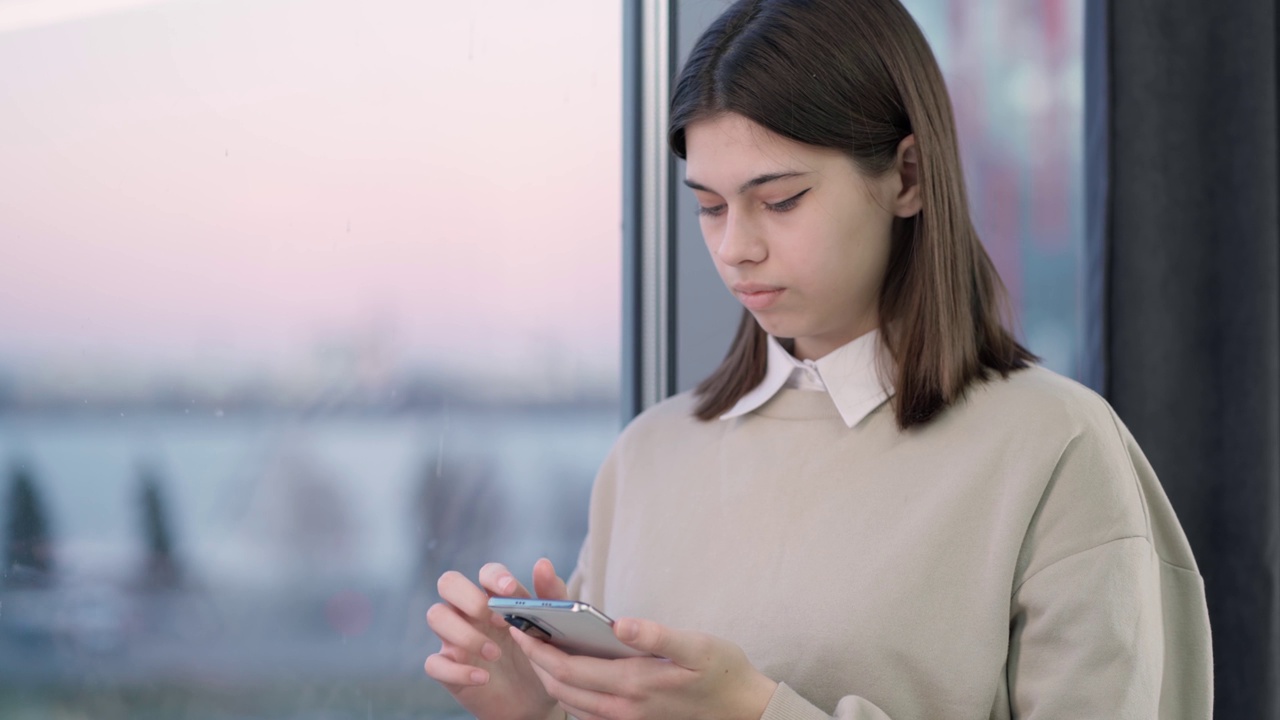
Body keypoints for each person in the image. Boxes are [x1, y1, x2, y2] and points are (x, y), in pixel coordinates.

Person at [423, 0, 1214, 717]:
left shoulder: (1058, 448)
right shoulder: (648, 456)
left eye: (781, 200)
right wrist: (541, 705)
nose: (736, 248)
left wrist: (757, 712)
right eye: (709, 207)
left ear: (907, 177)